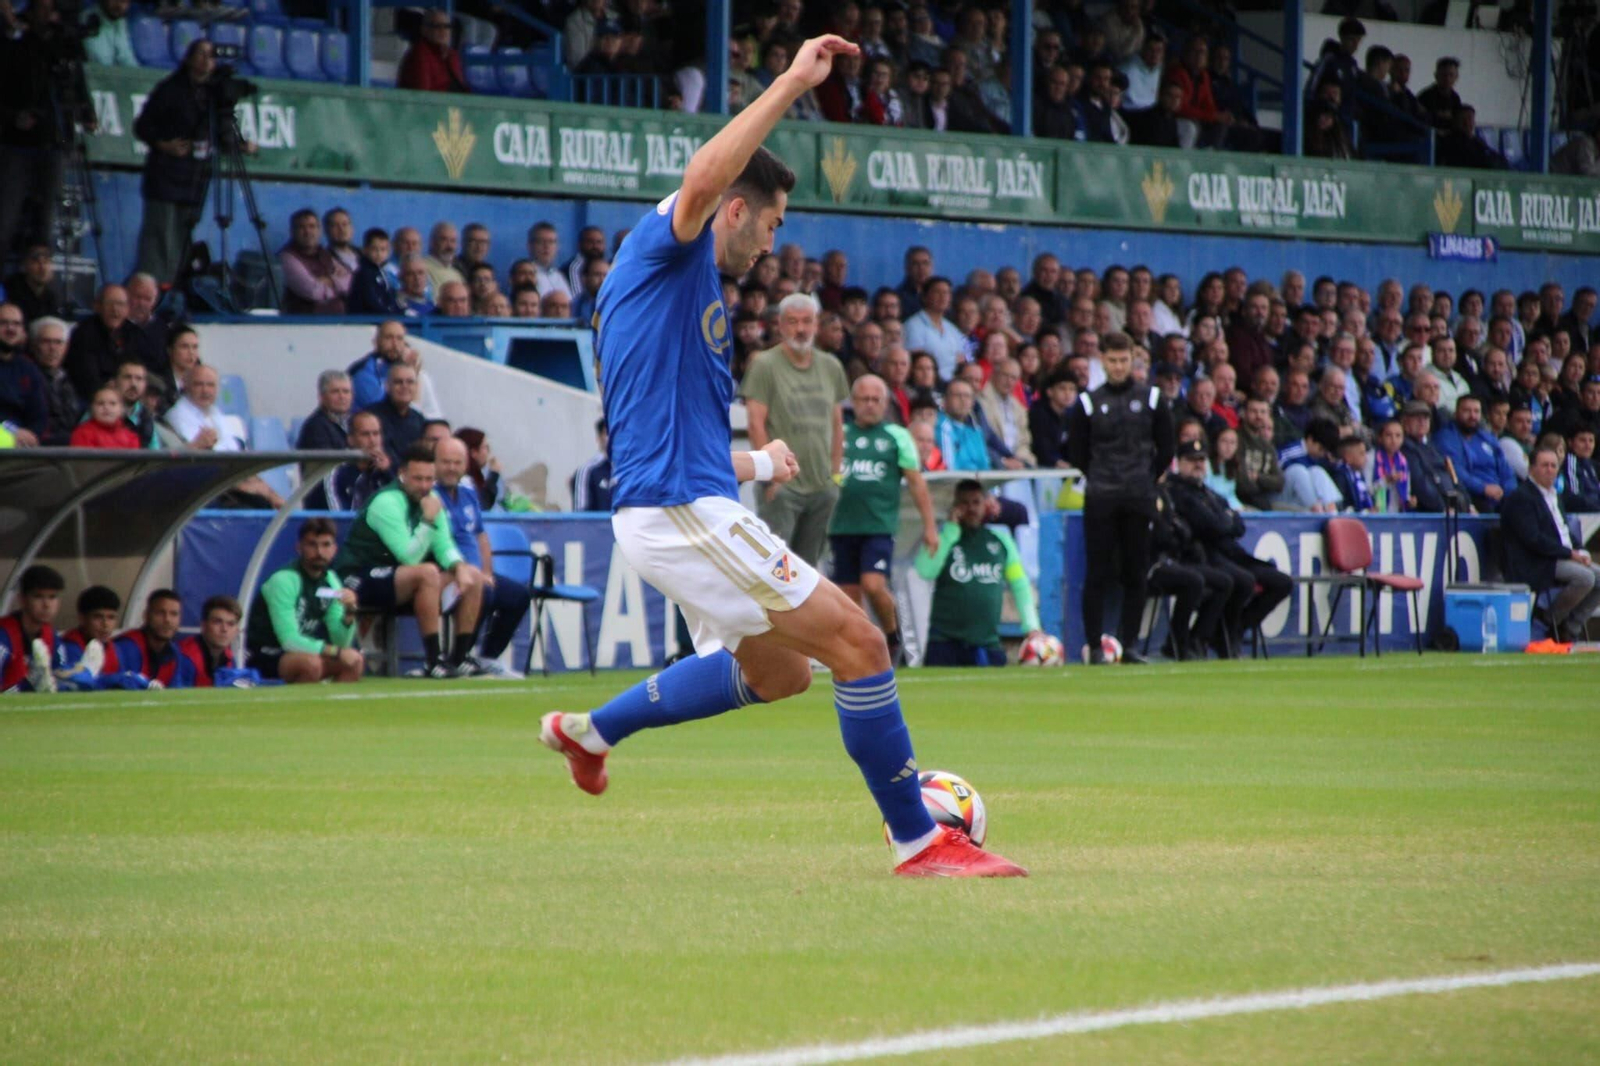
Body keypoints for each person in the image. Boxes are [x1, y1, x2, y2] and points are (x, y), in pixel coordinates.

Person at [538, 34, 1024, 878]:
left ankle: (591, 731)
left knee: (780, 673)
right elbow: (701, 176)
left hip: (674, 506)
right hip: (682, 512)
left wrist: (758, 465)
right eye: (771, 221)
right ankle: (919, 839)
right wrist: (794, 83)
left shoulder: (665, 292)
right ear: (735, 205)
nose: (772, 242)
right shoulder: (668, 247)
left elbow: (673, 441)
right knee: (862, 644)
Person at [1066, 332, 1175, 664]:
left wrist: (1144, 477)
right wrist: (1102, 476)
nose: (1117, 366)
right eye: (1111, 360)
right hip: (1100, 496)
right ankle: (1095, 648)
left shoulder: (1153, 399)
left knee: (1135, 571)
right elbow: (1077, 452)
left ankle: (1128, 646)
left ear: (1133, 360)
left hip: (1138, 496)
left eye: (1123, 360)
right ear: (1102, 360)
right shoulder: (1087, 402)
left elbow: (1166, 447)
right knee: (1097, 572)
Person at [333, 441, 483, 677]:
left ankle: (459, 658)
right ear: (402, 475)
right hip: (360, 575)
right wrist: (427, 521)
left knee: (473, 576)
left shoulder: (431, 498)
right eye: (418, 479)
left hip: (398, 577)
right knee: (427, 572)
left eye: (429, 479)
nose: (424, 486)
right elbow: (409, 556)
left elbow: (444, 544)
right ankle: (433, 661)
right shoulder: (387, 502)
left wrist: (459, 566)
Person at [827, 375, 939, 661]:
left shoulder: (896, 435)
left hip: (878, 525)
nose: (869, 405)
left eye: (876, 399)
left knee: (873, 584)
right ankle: (863, 649)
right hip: (842, 525)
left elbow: (916, 482)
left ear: (886, 403)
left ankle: (892, 635)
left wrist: (930, 527)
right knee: (849, 594)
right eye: (863, 399)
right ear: (853, 402)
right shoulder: (841, 434)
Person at [742, 293, 849, 566]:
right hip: (782, 488)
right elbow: (755, 423)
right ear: (779, 324)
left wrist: (835, 479)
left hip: (822, 487)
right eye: (792, 322)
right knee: (775, 568)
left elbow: (837, 424)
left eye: (807, 321)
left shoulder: (831, 366)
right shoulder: (764, 365)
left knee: (810, 571)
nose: (800, 329)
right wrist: (770, 477)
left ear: (817, 324)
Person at [1166, 439, 1292, 657]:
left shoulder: (1208, 492)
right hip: (1207, 555)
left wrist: (1224, 521)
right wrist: (1225, 521)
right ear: (1179, 463)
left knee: (1282, 583)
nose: (1198, 465)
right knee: (1241, 581)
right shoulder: (1178, 491)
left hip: (1233, 555)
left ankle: (1234, 629)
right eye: (1191, 460)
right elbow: (1211, 525)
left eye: (1201, 460)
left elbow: (1238, 524)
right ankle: (1206, 637)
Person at [133, 40, 239, 285]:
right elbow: (142, 126)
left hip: (195, 177)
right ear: (189, 58)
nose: (206, 60)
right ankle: (151, 289)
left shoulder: (213, 94)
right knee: (160, 235)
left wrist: (238, 144)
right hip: (165, 175)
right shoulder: (170, 88)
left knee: (183, 236)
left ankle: (175, 287)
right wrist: (163, 143)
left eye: (211, 56)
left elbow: (223, 128)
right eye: (200, 54)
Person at [912, 478, 1043, 666]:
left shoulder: (1000, 541)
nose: (971, 508)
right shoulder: (944, 539)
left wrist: (1031, 627)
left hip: (987, 643)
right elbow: (925, 571)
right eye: (964, 503)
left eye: (976, 502)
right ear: (956, 506)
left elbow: (1020, 585)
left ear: (986, 505)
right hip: (944, 643)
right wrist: (950, 531)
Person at [433, 436, 528, 673]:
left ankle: (487, 657)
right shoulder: (430, 495)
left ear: (465, 465)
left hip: (476, 571)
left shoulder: (467, 492)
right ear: (434, 463)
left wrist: (487, 571)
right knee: (481, 590)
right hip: (448, 572)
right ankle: (461, 655)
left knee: (518, 596)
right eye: (446, 462)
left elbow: (480, 536)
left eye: (457, 463)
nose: (452, 468)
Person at [1501, 446, 1600, 642]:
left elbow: (1564, 531)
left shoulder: (1555, 496)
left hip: (1560, 556)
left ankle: (1569, 628)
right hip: (1537, 561)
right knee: (1585, 578)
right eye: (1544, 465)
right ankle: (1547, 619)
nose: (1550, 470)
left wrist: (1580, 550)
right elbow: (1533, 539)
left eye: (1553, 466)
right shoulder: (1521, 497)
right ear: (1532, 469)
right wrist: (1570, 554)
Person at [248, 518, 364, 683]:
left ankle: (334, 708)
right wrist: (337, 652)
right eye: (312, 544)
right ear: (299, 547)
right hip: (266, 652)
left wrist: (349, 613)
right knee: (311, 664)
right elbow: (288, 640)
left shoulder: (331, 580)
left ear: (334, 549)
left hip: (302, 651)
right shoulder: (284, 580)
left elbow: (341, 642)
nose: (319, 551)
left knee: (354, 661)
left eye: (325, 545)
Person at [1148, 476, 1232, 661]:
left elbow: (1185, 531)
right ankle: (1177, 644)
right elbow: (1159, 535)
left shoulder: (1166, 493)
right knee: (1194, 581)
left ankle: (1199, 639)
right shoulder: (1148, 493)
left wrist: (1177, 534)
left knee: (1223, 582)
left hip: (1176, 557)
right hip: (1151, 563)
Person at [64, 284, 160, 402]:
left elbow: (144, 365)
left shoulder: (133, 332)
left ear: (127, 309)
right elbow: (87, 379)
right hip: (95, 397)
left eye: (120, 304)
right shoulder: (84, 333)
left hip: (128, 391)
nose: (115, 309)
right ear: (97, 306)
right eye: (110, 303)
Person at [1436, 394, 1517, 512]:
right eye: (1467, 411)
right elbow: (1456, 472)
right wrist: (1483, 488)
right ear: (1456, 413)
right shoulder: (1446, 438)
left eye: (1476, 411)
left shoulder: (1488, 438)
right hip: (1471, 495)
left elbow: (1506, 471)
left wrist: (1508, 492)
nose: (1472, 416)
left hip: (1499, 496)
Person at [311, 410, 392, 511]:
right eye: (365, 434)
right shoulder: (336, 474)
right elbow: (340, 519)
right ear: (351, 440)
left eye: (376, 434)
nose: (372, 440)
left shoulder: (387, 472)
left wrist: (387, 473)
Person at [1, 565, 62, 693]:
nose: (46, 605)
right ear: (22, 599)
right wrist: (28, 686)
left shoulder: (51, 636)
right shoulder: (4, 635)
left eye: (52, 597)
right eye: (38, 596)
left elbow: (58, 676)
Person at [111, 589, 188, 688]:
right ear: (146, 616)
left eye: (174, 614)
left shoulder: (174, 652)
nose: (167, 620)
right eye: (160, 613)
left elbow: (175, 691)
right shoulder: (126, 646)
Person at [363, 360, 427, 470]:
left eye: (410, 382)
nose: (404, 386)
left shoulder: (419, 419)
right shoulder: (371, 417)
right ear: (387, 386)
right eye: (398, 382)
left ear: (416, 386)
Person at [25, 315, 78, 445]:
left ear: (66, 347)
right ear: (33, 345)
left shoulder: (71, 379)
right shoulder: (26, 377)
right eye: (46, 341)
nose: (52, 348)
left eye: (58, 342)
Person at [0, 303, 48, 446]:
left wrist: (32, 434)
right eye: (4, 323)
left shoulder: (28, 368)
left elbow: (39, 414)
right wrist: (13, 432)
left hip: (23, 445)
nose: (10, 329)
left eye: (16, 324)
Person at [174, 596, 241, 687]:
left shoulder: (229, 658)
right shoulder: (183, 656)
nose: (224, 629)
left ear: (237, 630)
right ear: (204, 625)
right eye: (217, 622)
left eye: (231, 624)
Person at [399, 10, 469, 93]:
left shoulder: (452, 55)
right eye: (437, 26)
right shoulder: (420, 53)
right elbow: (422, 94)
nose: (443, 31)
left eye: (447, 26)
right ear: (424, 30)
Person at [346, 228, 404, 316]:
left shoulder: (382, 272)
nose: (379, 253)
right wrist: (390, 314)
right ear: (365, 250)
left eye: (383, 249)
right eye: (374, 249)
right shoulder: (364, 274)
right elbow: (372, 301)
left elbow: (389, 297)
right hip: (365, 321)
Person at [3, 247, 65, 326]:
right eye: (36, 262)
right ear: (25, 265)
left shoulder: (51, 298)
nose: (42, 268)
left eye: (46, 262)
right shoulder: (11, 292)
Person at [1029, 368, 1077, 468]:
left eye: (1072, 389)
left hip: (1066, 468)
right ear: (1050, 391)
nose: (1068, 393)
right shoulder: (1038, 413)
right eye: (1062, 388)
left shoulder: (1073, 416)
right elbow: (1040, 447)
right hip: (1040, 467)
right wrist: (1056, 461)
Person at [295, 370, 354, 451]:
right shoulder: (315, 427)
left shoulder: (353, 423)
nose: (342, 396)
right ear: (321, 396)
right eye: (335, 392)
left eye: (346, 391)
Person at [69, 384, 140, 448]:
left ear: (121, 409)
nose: (106, 407)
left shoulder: (131, 437)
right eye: (100, 403)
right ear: (92, 409)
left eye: (112, 403)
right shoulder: (82, 434)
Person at [571, 418, 613, 511]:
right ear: (598, 438)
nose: (613, 437)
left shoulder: (630, 471)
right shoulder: (587, 471)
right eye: (607, 433)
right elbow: (580, 517)